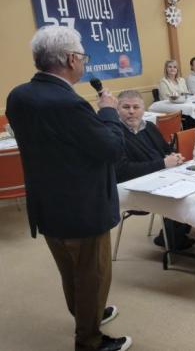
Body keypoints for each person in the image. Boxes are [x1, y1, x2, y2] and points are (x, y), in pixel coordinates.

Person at [6, 25, 132, 351]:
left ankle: (86, 314)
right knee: (93, 274)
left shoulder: (18, 96)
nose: (83, 62)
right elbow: (111, 150)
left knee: (69, 269)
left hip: (47, 204)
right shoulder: (69, 105)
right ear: (72, 58)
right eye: (83, 56)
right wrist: (108, 112)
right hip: (82, 207)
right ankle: (89, 340)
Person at [114, 90, 193, 251]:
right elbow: (122, 170)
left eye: (136, 107)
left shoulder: (149, 126)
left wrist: (173, 156)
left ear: (143, 109)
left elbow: (165, 149)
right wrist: (163, 163)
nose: (131, 111)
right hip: (133, 186)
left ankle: (174, 233)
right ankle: (172, 239)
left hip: (160, 175)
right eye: (126, 107)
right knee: (177, 196)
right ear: (117, 110)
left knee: (192, 186)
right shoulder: (114, 134)